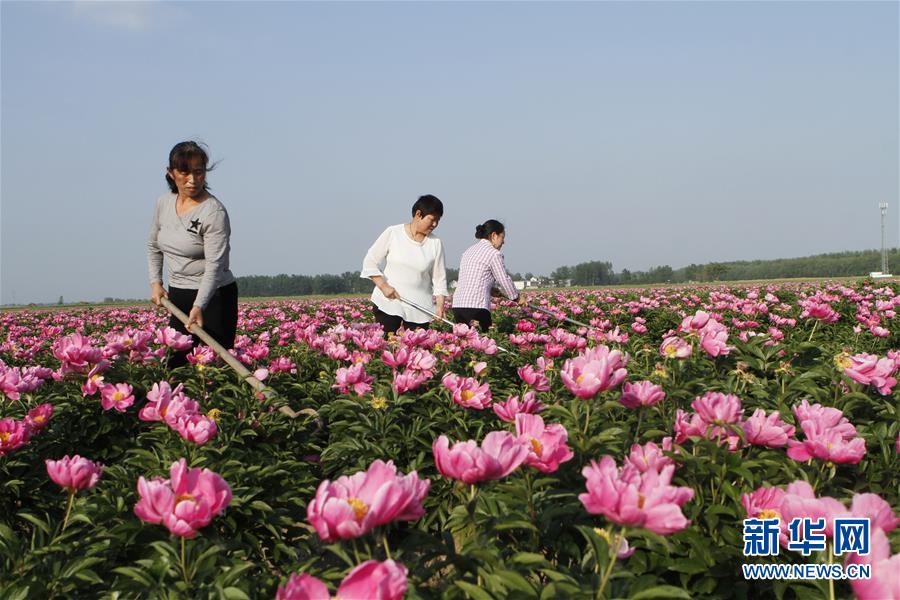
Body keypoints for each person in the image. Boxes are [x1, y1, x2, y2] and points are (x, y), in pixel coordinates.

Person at [147, 141, 238, 367]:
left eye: (198, 172)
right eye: (184, 172)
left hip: (214, 297)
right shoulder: (164, 203)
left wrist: (199, 306)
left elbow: (215, 267)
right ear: (171, 173)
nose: (192, 179)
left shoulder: (213, 212)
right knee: (175, 365)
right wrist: (156, 282)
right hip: (178, 295)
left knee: (214, 368)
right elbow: (153, 245)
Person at [361, 195, 449, 333]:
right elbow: (370, 261)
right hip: (389, 302)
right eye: (432, 219)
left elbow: (439, 278)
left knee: (417, 350)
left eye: (438, 220)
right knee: (387, 346)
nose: (435, 224)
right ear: (418, 214)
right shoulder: (393, 232)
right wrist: (383, 285)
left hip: (419, 308)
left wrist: (439, 306)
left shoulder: (435, 243)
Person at [451, 219, 526, 330]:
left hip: (458, 305)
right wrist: (517, 297)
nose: (503, 242)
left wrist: (491, 289)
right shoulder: (494, 253)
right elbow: (503, 279)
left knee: (466, 341)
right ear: (494, 235)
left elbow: (472, 278)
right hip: (476, 307)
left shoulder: (468, 251)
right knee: (483, 343)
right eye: (502, 238)